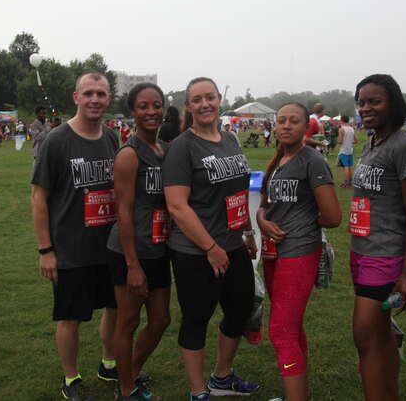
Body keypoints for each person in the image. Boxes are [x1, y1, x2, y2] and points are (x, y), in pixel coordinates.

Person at [163, 77, 260, 401]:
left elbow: (237, 192)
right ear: (188, 106)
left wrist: (246, 231)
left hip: (233, 244)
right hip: (195, 251)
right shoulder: (182, 147)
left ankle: (221, 376)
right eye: (197, 100)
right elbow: (177, 205)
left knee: (240, 310)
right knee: (197, 317)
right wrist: (210, 247)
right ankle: (197, 390)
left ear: (219, 100)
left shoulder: (230, 139)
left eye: (210, 97)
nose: (205, 104)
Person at [31, 72, 119, 401]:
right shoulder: (57, 140)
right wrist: (45, 250)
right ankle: (71, 379)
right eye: (89, 93)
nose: (95, 99)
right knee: (70, 318)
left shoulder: (111, 139)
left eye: (101, 93)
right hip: (71, 249)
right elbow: (39, 197)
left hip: (109, 247)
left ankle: (109, 364)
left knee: (115, 309)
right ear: (76, 97)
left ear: (108, 98)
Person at [348, 75, 406, 401]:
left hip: (386, 257)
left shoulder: (404, 146)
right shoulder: (373, 142)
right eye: (362, 102)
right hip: (361, 252)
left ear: (392, 102)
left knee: (365, 337)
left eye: (374, 101)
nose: (366, 108)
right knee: (380, 337)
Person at [256, 103, 342, 401]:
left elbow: (332, 216)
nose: (286, 125)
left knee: (280, 331)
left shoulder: (311, 160)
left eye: (294, 121)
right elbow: (266, 205)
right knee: (292, 329)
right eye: (281, 120)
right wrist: (261, 220)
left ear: (307, 127)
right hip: (274, 254)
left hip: (299, 252)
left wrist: (302, 222)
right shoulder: (280, 159)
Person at [107, 83, 172, 401]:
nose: (151, 112)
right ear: (132, 111)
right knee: (129, 320)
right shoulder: (129, 155)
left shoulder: (165, 150)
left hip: (158, 248)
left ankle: (129, 371)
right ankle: (125, 389)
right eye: (143, 106)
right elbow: (124, 212)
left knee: (161, 319)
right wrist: (133, 265)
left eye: (156, 105)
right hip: (129, 251)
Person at [337, 115, 358, 188]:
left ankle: (347, 183)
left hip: (344, 150)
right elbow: (356, 141)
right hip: (350, 150)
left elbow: (339, 141)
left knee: (345, 167)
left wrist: (339, 139)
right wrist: (349, 142)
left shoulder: (341, 129)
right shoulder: (352, 128)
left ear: (342, 120)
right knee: (349, 167)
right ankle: (350, 182)